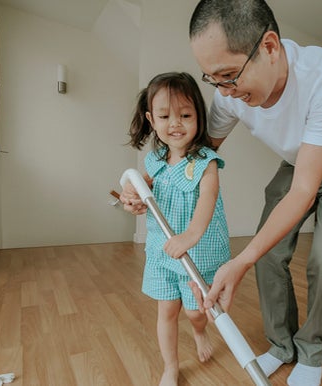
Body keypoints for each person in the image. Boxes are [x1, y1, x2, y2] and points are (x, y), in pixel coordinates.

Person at [187, 1, 322, 385]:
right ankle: (281, 346)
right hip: (298, 163)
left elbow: (305, 190)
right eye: (213, 79)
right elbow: (199, 154)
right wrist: (151, 181)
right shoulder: (228, 94)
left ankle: (312, 350)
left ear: (270, 46)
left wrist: (239, 261)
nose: (225, 90)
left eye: (229, 75)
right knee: (268, 254)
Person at [123, 72, 230, 386]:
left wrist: (191, 235)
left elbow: (207, 201)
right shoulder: (155, 160)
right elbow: (141, 186)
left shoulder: (206, 162)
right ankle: (171, 367)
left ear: (198, 115)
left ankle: (199, 331)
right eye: (165, 116)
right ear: (151, 120)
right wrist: (133, 196)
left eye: (185, 115)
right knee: (166, 312)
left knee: (196, 313)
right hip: (162, 252)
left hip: (196, 253)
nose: (176, 124)